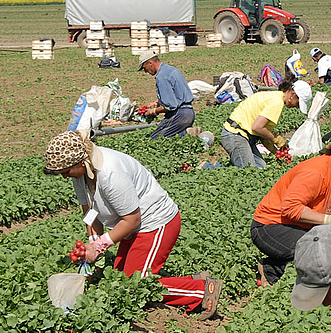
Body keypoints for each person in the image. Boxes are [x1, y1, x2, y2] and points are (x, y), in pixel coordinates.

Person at [43, 130, 223, 317]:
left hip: (155, 224)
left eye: (66, 172)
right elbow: (90, 212)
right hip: (129, 228)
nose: (65, 177)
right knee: (120, 280)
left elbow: (132, 219)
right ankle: (191, 281)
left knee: (134, 287)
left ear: (80, 162)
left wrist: (99, 246)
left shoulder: (110, 173)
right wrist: (93, 241)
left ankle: (202, 291)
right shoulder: (81, 173)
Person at [251, 139, 331, 285]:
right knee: (314, 252)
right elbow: (290, 208)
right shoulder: (316, 172)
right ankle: (271, 271)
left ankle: (278, 264)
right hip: (269, 226)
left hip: (301, 226)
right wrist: (327, 220)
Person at [219, 75, 311, 168]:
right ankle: (209, 167)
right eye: (298, 103)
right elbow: (257, 127)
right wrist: (276, 139)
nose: (296, 107)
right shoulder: (276, 102)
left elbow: (261, 133)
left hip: (244, 135)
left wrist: (274, 150)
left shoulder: (275, 96)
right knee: (249, 171)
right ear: (293, 94)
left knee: (261, 167)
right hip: (235, 134)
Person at [137, 51, 195, 139]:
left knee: (155, 139)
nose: (145, 72)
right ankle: (185, 134)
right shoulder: (171, 70)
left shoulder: (162, 77)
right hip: (189, 112)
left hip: (180, 115)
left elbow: (170, 106)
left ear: (150, 63)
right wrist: (158, 103)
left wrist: (153, 111)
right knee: (174, 136)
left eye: (145, 68)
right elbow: (176, 95)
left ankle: (189, 135)